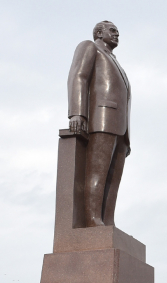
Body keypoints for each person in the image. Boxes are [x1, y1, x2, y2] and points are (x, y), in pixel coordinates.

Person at [68, 21, 131, 227]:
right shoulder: (89, 47)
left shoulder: (116, 61)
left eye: (117, 32)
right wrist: (78, 114)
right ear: (98, 32)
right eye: (112, 31)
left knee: (113, 180)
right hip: (101, 118)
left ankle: (107, 221)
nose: (117, 34)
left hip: (120, 126)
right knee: (97, 173)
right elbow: (79, 77)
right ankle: (93, 219)